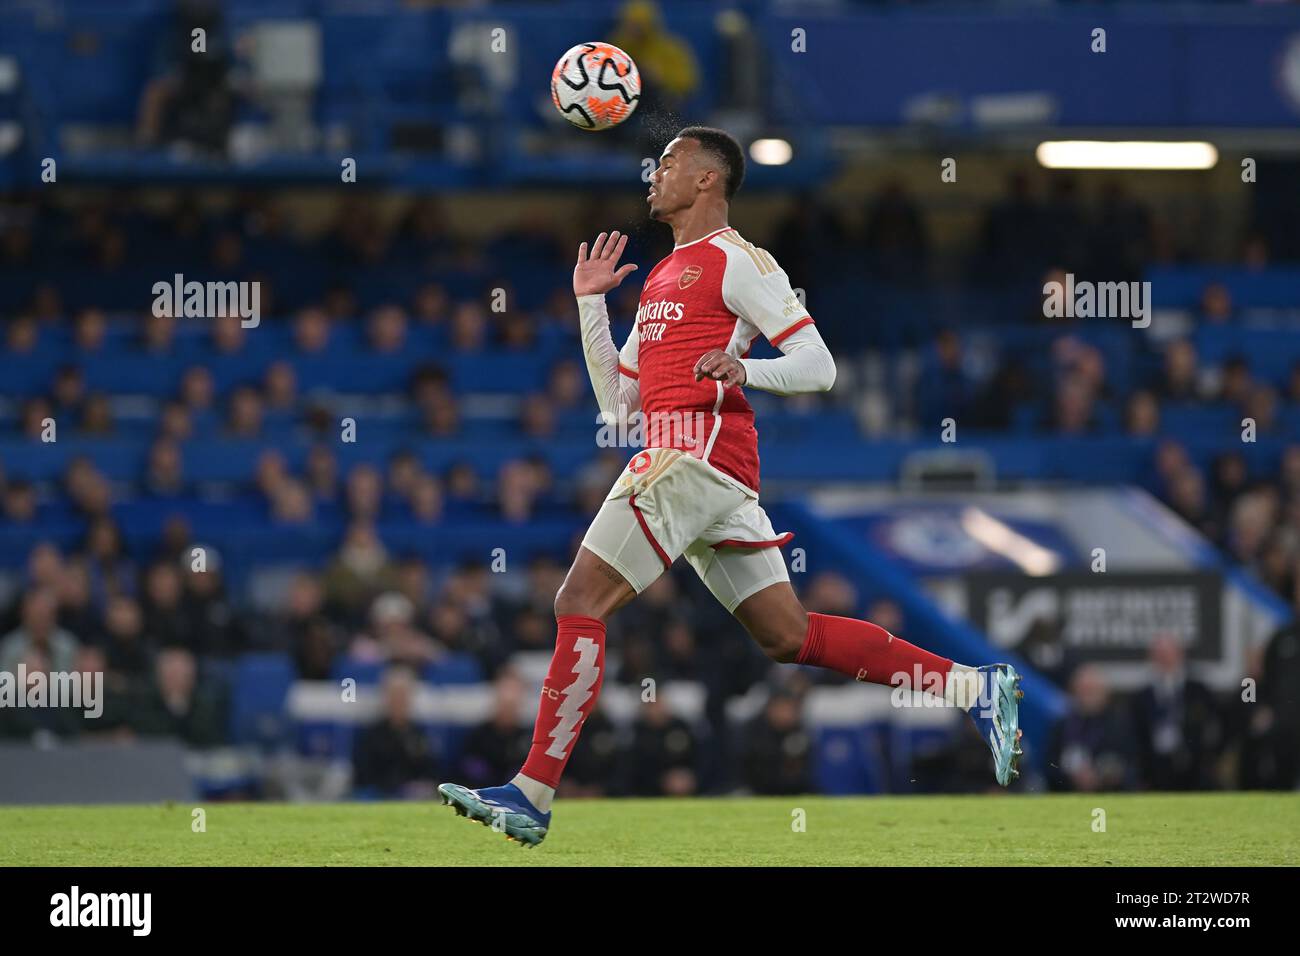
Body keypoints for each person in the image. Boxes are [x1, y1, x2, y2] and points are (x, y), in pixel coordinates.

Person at [438, 127, 1023, 846]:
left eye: (673, 161)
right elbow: (617, 409)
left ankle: (531, 791)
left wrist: (750, 371)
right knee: (787, 635)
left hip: (694, 452)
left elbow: (818, 365)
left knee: (577, 600)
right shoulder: (659, 276)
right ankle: (974, 687)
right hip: (699, 462)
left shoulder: (739, 261)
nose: (656, 172)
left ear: (709, 180)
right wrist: (590, 304)